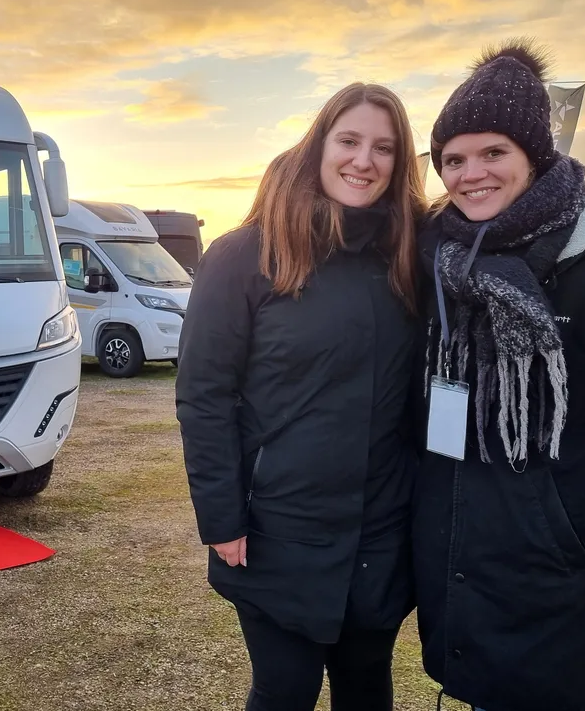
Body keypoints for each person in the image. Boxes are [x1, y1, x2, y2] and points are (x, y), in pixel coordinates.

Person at [175, 82, 426, 710]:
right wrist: (222, 518)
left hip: (381, 530)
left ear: (400, 164)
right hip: (277, 526)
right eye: (349, 140)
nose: (364, 160)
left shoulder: (410, 256)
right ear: (318, 145)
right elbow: (204, 396)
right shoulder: (244, 255)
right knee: (285, 690)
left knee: (367, 688)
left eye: (384, 147)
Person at [411, 38, 585, 711]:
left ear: (536, 153)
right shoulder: (436, 259)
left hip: (562, 583)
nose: (470, 173)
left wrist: (574, 528)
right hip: (462, 572)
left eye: (493, 152)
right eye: (453, 159)